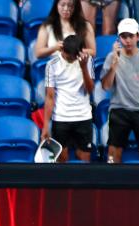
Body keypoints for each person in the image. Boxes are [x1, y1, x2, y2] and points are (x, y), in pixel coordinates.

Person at [100, 18, 139, 163]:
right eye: (124, 36)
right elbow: (106, 86)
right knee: (113, 157)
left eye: (131, 36)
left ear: (138, 36)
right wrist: (114, 64)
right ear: (119, 38)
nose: (127, 40)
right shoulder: (111, 57)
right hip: (119, 109)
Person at [42, 33, 95, 162]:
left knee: (84, 161)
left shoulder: (87, 61)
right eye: (66, 56)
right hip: (61, 118)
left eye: (72, 58)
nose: (69, 59)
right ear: (62, 50)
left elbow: (89, 90)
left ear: (79, 53)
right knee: (62, 162)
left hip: (83, 117)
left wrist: (84, 68)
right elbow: (49, 97)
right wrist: (45, 126)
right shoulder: (52, 64)